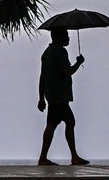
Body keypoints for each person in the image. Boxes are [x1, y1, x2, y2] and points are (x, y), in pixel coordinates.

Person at [37, 28, 89, 166]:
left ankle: (71, 156)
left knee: (61, 123)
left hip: (51, 94)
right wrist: (79, 62)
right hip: (59, 95)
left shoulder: (46, 53)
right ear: (57, 36)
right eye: (66, 35)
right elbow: (67, 71)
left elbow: (42, 77)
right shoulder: (60, 51)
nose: (68, 38)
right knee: (60, 123)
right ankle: (70, 157)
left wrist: (41, 98)